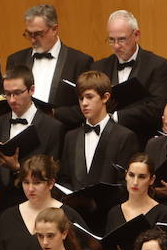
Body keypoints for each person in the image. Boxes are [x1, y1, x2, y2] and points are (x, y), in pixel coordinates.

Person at [0, 64, 65, 222]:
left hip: (37, 209)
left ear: (32, 90)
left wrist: (18, 169)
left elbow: (54, 173)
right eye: (7, 94)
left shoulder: (53, 127)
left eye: (18, 93)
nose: (12, 100)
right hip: (2, 208)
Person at [4, 3, 94, 124]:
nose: (32, 40)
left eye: (38, 34)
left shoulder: (79, 61)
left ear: (54, 29)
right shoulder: (15, 60)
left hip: (61, 133)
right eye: (29, 34)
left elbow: (89, 107)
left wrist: (54, 114)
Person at [90, 10, 167, 142]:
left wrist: (117, 116)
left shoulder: (157, 65)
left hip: (143, 141)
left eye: (122, 39)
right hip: (107, 141)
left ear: (136, 35)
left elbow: (159, 107)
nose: (116, 46)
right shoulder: (99, 67)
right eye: (111, 40)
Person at [58, 70, 139, 200]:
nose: (84, 103)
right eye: (81, 98)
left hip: (108, 214)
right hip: (75, 214)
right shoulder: (70, 137)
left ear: (105, 97)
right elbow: (64, 178)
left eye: (89, 97)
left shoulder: (125, 136)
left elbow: (125, 183)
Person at [0, 154, 84, 250]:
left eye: (37, 183)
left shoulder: (69, 217)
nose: (30, 189)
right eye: (26, 182)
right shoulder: (8, 217)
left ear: (51, 183)